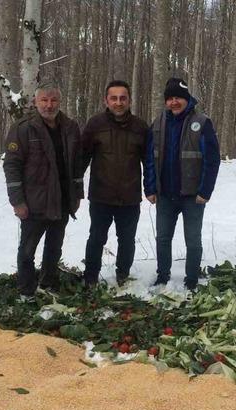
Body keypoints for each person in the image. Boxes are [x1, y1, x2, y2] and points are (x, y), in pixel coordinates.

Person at [2, 84, 83, 297]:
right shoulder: (23, 128)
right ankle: (26, 290)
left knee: (54, 249)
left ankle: (49, 284)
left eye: (53, 100)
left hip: (62, 201)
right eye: (44, 100)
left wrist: (77, 195)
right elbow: (12, 166)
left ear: (60, 101)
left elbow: (76, 165)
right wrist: (17, 201)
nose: (49, 105)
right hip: (33, 203)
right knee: (27, 251)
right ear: (36, 102)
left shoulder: (70, 127)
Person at [148, 77, 220, 291]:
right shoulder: (158, 122)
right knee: (162, 238)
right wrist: (150, 188)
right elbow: (150, 158)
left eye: (178, 97)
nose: (174, 102)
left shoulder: (202, 122)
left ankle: (191, 279)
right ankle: (162, 276)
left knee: (193, 240)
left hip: (192, 196)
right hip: (165, 195)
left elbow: (212, 160)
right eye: (169, 98)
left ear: (187, 99)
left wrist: (205, 191)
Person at [81, 80, 154, 287]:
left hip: (129, 196)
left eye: (123, 98)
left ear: (129, 100)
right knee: (96, 238)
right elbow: (82, 159)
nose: (118, 102)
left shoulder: (140, 127)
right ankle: (91, 277)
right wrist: (73, 187)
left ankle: (123, 275)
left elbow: (149, 162)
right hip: (101, 195)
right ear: (106, 100)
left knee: (127, 240)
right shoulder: (95, 125)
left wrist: (151, 188)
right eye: (114, 98)